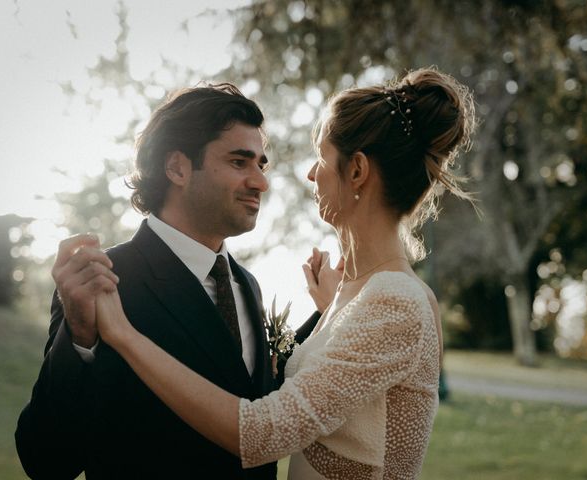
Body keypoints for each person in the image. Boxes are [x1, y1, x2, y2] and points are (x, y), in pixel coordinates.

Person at [74, 67, 475, 479]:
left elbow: (264, 430)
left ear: (356, 171)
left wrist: (122, 335)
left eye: (322, 157)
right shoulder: (358, 295)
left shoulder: (396, 300)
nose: (310, 174)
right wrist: (332, 314)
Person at [15, 83, 327, 479]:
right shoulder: (105, 282)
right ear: (177, 167)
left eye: (260, 165)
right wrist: (79, 339)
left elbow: (252, 406)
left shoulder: (247, 285)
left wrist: (326, 313)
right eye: (238, 162)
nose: (260, 182)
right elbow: (46, 461)